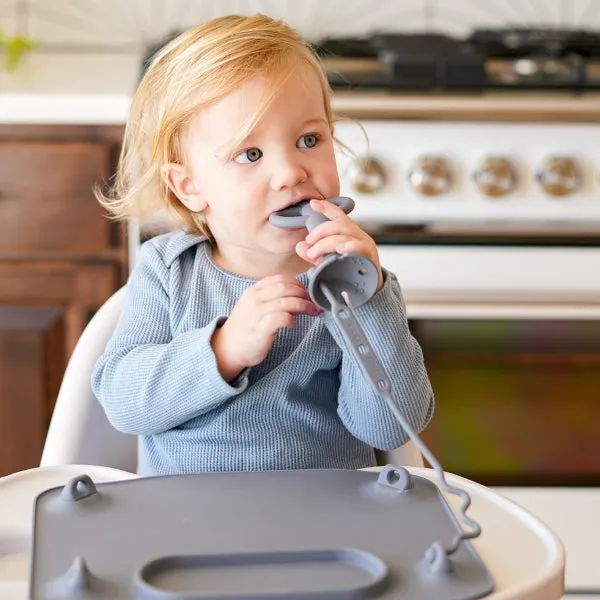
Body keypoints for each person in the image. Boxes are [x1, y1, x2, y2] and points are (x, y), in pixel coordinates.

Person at [92, 13, 434, 476]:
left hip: (325, 522)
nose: (292, 172)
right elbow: (123, 401)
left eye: (308, 139)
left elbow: (390, 427)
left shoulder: (345, 276)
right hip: (189, 522)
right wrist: (224, 349)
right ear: (189, 185)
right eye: (250, 154)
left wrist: (369, 299)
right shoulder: (168, 270)